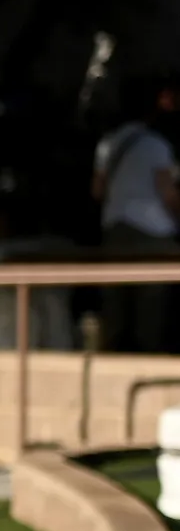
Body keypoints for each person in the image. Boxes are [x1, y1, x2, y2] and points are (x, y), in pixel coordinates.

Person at [93, 78, 180, 352]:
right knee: (151, 304)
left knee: (115, 300)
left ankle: (112, 356)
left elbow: (97, 190)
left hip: (116, 228)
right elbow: (168, 194)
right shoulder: (157, 146)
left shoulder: (107, 144)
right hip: (153, 232)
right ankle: (147, 357)